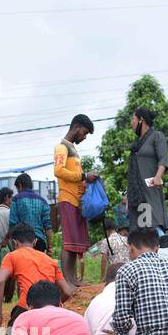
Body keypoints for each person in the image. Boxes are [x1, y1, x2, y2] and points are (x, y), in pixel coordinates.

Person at [0, 227, 75, 329]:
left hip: (27, 307)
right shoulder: (50, 260)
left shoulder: (12, 256)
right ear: (35, 241)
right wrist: (54, 305)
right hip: (52, 311)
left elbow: (0, 280)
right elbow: (67, 291)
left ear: (15, 243)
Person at [54, 114, 99, 287]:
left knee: (74, 243)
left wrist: (84, 182)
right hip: (67, 199)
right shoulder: (61, 147)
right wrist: (83, 176)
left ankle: (73, 280)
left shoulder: (72, 148)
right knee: (68, 243)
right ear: (76, 127)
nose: (84, 136)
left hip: (77, 201)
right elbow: (58, 171)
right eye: (85, 132)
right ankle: (67, 281)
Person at [126, 107, 168, 234]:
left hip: (150, 189)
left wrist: (158, 177)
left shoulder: (157, 136)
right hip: (136, 194)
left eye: (133, 119)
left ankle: (163, 251)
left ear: (141, 120)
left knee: (153, 226)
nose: (131, 123)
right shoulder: (137, 143)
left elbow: (163, 159)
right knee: (139, 231)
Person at [9, 173, 52, 252]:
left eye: (17, 189)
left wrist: (7, 240)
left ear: (20, 185)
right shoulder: (43, 201)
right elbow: (47, 226)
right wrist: (50, 247)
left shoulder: (16, 199)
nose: (18, 191)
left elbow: (12, 223)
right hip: (39, 242)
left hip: (21, 242)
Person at [99, 220, 130, 284]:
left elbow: (104, 260)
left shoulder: (106, 241)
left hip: (115, 274)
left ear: (106, 231)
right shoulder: (126, 239)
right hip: (128, 271)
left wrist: (102, 277)